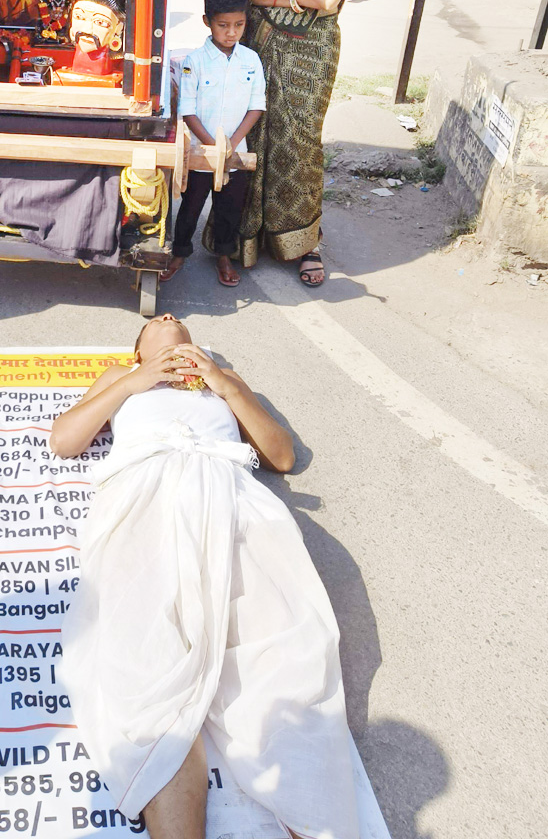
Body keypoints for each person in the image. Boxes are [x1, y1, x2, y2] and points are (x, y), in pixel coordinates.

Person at [54, 313, 387, 839]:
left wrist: (223, 383)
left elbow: (280, 454)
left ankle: (315, 822)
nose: (167, 316)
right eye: (155, 322)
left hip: (233, 499)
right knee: (146, 666)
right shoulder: (123, 378)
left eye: (177, 320)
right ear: (137, 350)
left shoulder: (222, 383)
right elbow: (65, 440)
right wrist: (135, 381)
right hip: (145, 495)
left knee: (280, 657)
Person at [235, 0, 363, 285]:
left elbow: (330, 0)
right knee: (249, 135)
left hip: (309, 53)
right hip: (257, 45)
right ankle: (244, 236)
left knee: (298, 143)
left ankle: (304, 242)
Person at [161, 0, 265, 287]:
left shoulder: (251, 61)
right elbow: (188, 111)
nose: (231, 32)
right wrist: (213, 147)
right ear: (207, 21)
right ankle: (179, 253)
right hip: (200, 152)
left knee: (229, 209)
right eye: (223, 25)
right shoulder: (195, 62)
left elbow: (256, 107)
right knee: (190, 206)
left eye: (239, 25)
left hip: (236, 153)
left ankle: (223, 256)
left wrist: (230, 147)